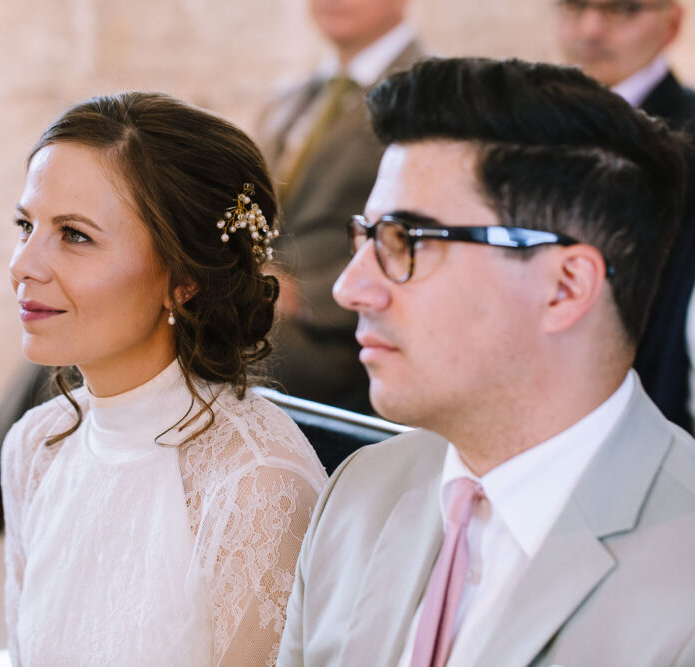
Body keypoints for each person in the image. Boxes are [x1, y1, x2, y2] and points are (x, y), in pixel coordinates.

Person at [0, 0, 424, 543]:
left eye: (72, 231)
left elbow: (414, 224)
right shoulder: (290, 99)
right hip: (253, 279)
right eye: (25, 226)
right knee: (82, 306)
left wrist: (305, 288)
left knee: (119, 306)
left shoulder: (420, 99)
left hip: (328, 325)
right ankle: (27, 481)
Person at [278, 57, 695, 666]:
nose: (349, 289)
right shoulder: (362, 492)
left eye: (406, 241)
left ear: (565, 287)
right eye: (364, 238)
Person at [2, 91, 327, 666]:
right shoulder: (35, 446)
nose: (23, 264)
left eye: (75, 235)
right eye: (26, 225)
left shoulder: (254, 484)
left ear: (184, 279)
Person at [258, 0, 422, 415]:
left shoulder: (429, 93)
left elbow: (432, 229)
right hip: (263, 305)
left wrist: (301, 295)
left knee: (196, 349)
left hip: (344, 334)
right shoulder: (290, 98)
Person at [555, 0, 695, 434]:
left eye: (622, 9)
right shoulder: (527, 131)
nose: (591, 30)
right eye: (575, 6)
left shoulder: (688, 141)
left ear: (672, 24)